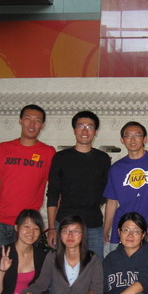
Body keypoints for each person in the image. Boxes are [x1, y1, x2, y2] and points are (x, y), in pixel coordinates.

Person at [0, 104, 55, 254]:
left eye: (37, 120)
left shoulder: (48, 152)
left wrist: (53, 226)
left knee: (24, 265)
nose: (32, 124)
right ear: (20, 120)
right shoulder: (3, 148)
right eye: (28, 119)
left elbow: (54, 190)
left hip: (28, 224)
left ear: (42, 125)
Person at [47, 110, 111, 260]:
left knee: (95, 265)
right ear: (74, 130)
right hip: (65, 223)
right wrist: (51, 228)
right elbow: (52, 194)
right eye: (80, 126)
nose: (85, 130)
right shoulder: (61, 157)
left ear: (95, 131)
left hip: (93, 224)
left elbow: (106, 193)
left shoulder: (102, 159)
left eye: (90, 127)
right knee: (62, 266)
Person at [103, 121, 148, 253]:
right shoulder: (116, 168)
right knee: (118, 265)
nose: (133, 139)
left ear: (145, 139)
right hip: (122, 230)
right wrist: (106, 229)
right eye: (128, 136)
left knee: (146, 264)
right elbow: (112, 202)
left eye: (137, 135)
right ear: (122, 140)